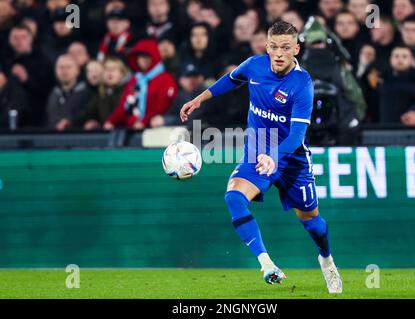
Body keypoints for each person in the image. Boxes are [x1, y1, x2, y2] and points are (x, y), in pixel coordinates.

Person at [180, 21, 343, 293]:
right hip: (258, 149)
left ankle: (326, 260)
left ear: (296, 50)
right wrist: (199, 99)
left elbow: (296, 136)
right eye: (274, 47)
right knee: (234, 196)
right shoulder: (255, 65)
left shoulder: (302, 84)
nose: (279, 53)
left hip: (291, 159)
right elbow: (230, 81)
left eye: (286, 48)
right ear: (267, 46)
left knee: (313, 223)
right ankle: (267, 264)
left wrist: (275, 156)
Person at [104, 39, 178, 129]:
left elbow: (162, 106)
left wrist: (144, 122)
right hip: (135, 128)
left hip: (157, 129)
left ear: (154, 56)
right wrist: (111, 121)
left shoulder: (165, 79)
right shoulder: (136, 79)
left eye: (146, 56)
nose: (142, 60)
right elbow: (124, 105)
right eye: (139, 56)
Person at [46, 54, 93, 130]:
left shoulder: (87, 94)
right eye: (61, 67)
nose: (64, 71)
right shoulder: (52, 94)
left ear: (77, 70)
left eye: (69, 67)